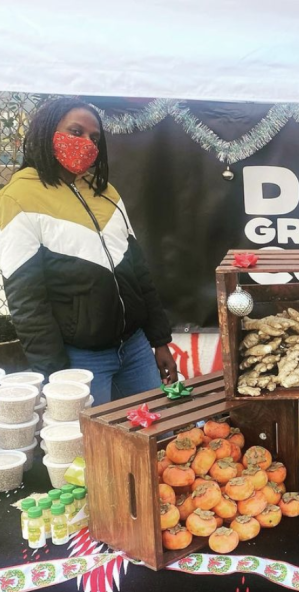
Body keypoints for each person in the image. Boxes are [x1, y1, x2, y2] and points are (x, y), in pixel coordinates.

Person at [0, 97, 177, 405]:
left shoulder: (105, 191)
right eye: (75, 131)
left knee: (156, 435)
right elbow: (28, 304)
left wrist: (160, 341)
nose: (86, 143)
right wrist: (57, 375)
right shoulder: (18, 198)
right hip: (82, 359)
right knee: (95, 451)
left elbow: (139, 273)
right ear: (46, 132)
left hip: (135, 348)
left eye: (94, 138)